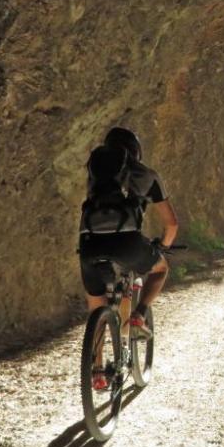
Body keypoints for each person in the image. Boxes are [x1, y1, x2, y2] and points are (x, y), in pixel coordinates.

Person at [78, 127, 179, 389]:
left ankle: (98, 372)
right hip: (127, 243)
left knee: (96, 306)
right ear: (136, 152)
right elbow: (172, 225)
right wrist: (163, 248)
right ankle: (139, 315)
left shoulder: (95, 172)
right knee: (159, 269)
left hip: (89, 244)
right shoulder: (147, 176)